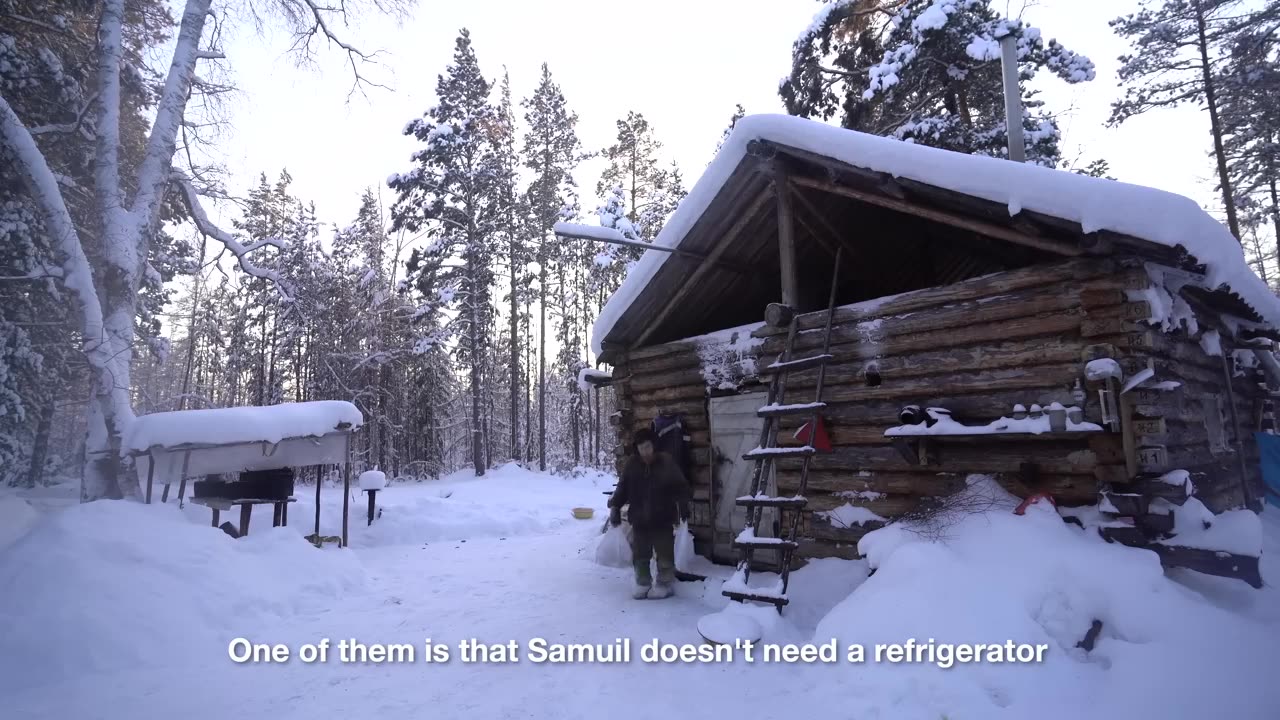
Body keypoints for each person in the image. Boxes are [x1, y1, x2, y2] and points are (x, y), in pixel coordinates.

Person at [609, 428, 691, 599]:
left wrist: (683, 504)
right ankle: (642, 582)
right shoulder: (632, 465)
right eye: (641, 448)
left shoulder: (666, 462)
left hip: (663, 516)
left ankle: (665, 583)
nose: (644, 451)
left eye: (647, 447)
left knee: (664, 552)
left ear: (653, 445)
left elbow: (681, 486)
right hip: (639, 517)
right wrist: (615, 506)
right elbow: (623, 487)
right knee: (640, 553)